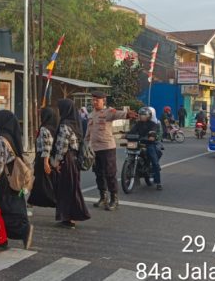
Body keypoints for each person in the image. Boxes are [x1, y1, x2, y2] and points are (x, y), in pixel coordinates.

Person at [0, 110, 34, 249]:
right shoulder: (12, 137)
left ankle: (21, 231)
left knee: (0, 208)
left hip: (4, 180)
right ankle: (2, 238)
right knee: (12, 207)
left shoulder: (1, 140)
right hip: (13, 180)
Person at [86, 91, 136, 211]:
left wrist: (128, 114)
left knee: (110, 174)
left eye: (97, 100)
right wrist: (85, 143)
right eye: (93, 100)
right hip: (94, 149)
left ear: (103, 101)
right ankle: (103, 197)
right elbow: (89, 131)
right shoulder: (92, 114)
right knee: (98, 174)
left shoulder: (109, 112)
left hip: (107, 148)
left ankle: (114, 199)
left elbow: (119, 114)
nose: (94, 102)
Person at [53, 99, 91, 228]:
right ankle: (72, 216)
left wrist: (57, 161)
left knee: (66, 189)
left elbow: (62, 146)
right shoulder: (76, 124)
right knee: (73, 187)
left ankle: (69, 218)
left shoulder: (64, 125)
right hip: (75, 159)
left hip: (67, 159)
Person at [28, 107, 58, 208]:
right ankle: (32, 201)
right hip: (47, 157)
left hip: (43, 157)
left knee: (45, 181)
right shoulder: (53, 127)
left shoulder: (45, 128)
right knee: (40, 181)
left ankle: (54, 201)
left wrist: (45, 162)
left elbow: (47, 146)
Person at [129, 107, 163, 190]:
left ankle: (158, 182)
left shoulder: (153, 124)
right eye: (140, 114)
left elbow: (154, 131)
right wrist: (125, 134)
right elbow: (132, 131)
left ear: (149, 116)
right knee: (130, 155)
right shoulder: (137, 124)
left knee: (154, 162)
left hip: (149, 143)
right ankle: (129, 176)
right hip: (139, 143)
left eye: (144, 115)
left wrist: (152, 136)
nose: (141, 116)